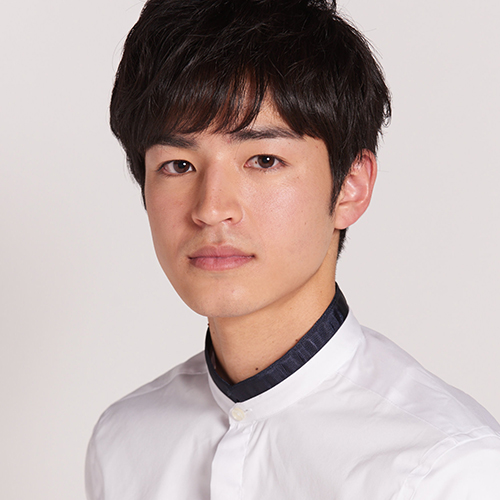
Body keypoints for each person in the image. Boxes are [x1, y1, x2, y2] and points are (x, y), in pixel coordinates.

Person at [85, 0, 500, 498]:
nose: (211, 209)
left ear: (350, 187)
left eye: (263, 160)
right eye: (178, 165)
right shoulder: (123, 441)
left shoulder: (447, 469)